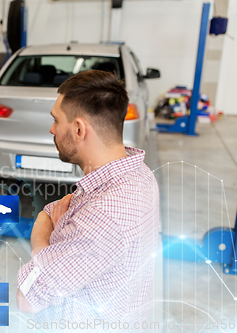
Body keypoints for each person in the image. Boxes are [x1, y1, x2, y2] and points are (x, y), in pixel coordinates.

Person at [16, 70, 159, 330]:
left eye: (56, 120)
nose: (51, 129)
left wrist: (43, 245)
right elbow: (50, 211)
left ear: (79, 129)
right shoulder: (138, 173)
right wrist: (57, 236)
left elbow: (26, 298)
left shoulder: (103, 214)